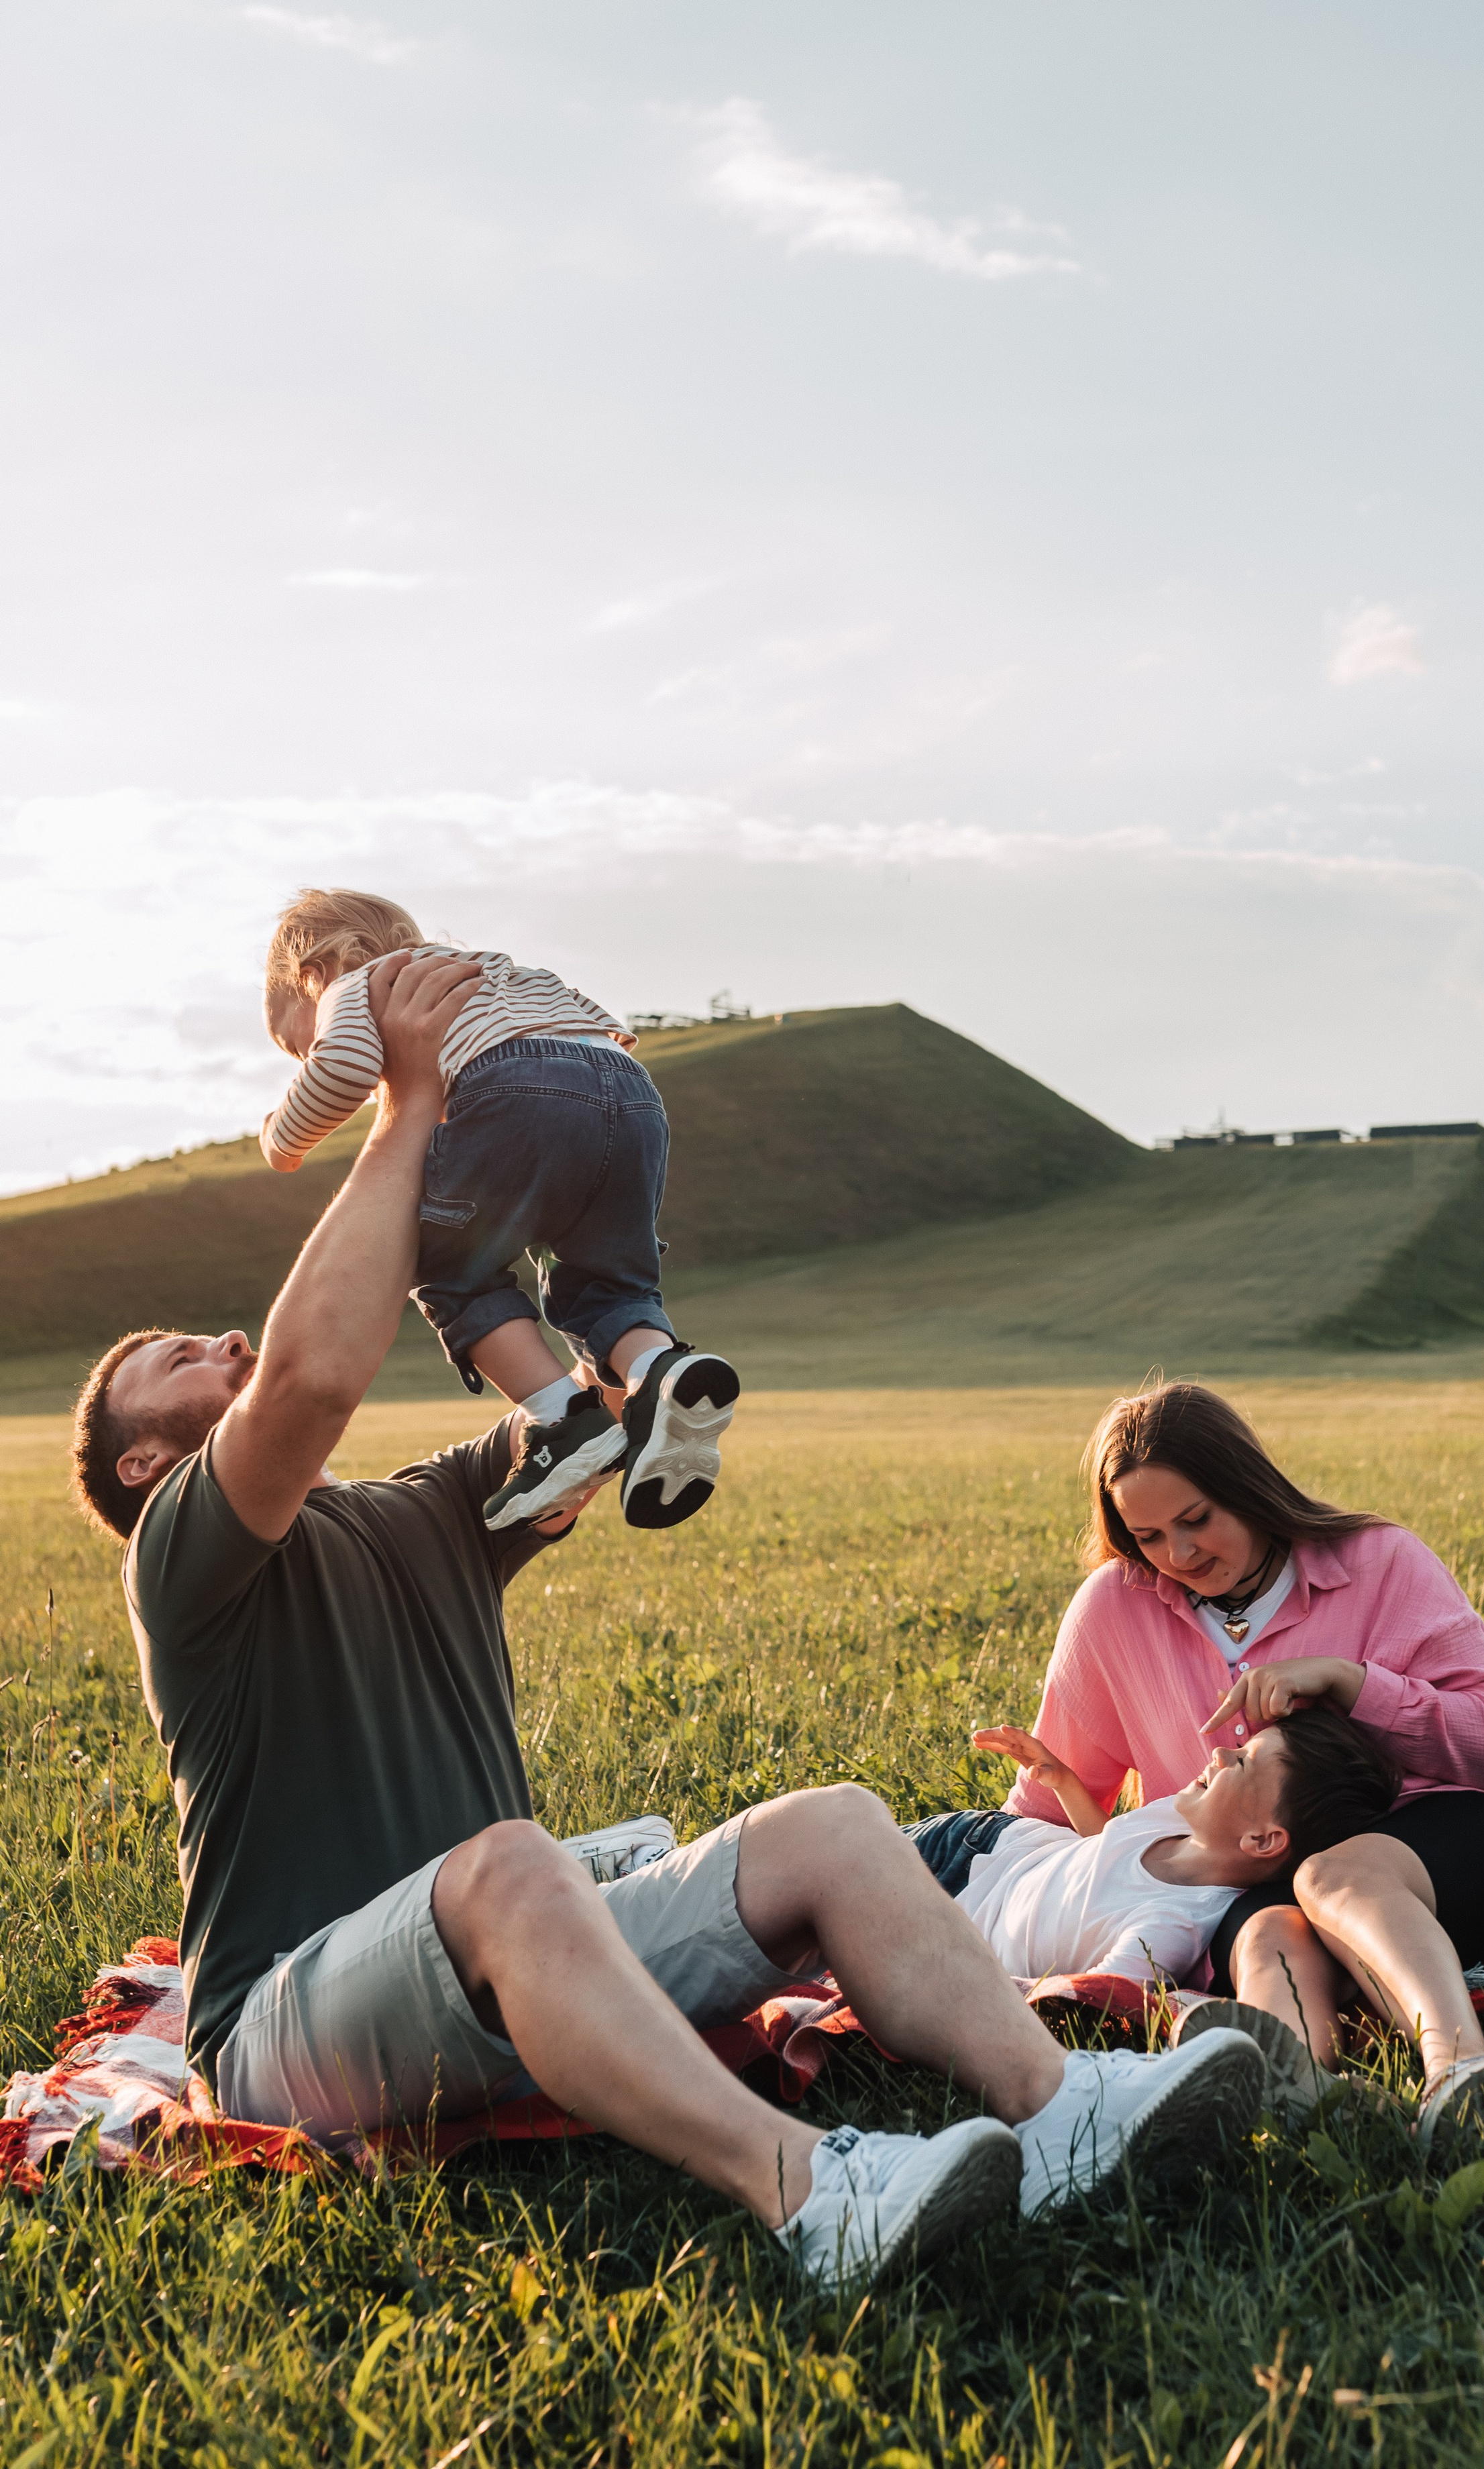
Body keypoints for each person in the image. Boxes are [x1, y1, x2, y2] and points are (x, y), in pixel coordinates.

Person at [68, 955, 1269, 2287]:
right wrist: (406, 1107)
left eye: (213, 1342)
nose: (223, 1349)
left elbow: (580, 1437)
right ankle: (813, 2190)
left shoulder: (420, 1517)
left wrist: (589, 1192)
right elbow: (309, 1379)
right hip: (289, 2023)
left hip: (510, 1970)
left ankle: (1053, 2109)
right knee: (511, 1864)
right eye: (180, 1358)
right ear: (139, 1464)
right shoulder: (186, 1556)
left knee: (831, 1826)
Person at [1002, 1380, 1484, 2151]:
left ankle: (1461, 2075)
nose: (1181, 1554)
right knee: (1270, 1933)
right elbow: (1045, 1808)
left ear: (1247, 1484)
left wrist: (1351, 1683)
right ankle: (1304, 2108)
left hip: (1438, 1848)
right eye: (1149, 1536)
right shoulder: (1112, 1608)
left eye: (1196, 1519)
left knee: (1328, 1876)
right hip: (1241, 1886)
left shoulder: (1378, 1561)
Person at [259, 885, 737, 1534]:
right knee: (605, 1278)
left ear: (313, 974)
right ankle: (662, 1369)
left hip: (512, 1088)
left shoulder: (366, 981)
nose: (305, 1055)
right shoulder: (496, 968)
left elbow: (341, 1066)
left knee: (449, 1272)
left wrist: (281, 1138)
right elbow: (602, 1031)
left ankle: (564, 1422)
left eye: (297, 1044)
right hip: (631, 1096)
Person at [908, 1702, 1399, 1999]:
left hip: (949, 1918)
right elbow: (1107, 1847)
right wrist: (1062, 1780)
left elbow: (1093, 1996)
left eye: (1243, 1762)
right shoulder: (1178, 1817)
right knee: (838, 1842)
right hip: (980, 1845)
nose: (1221, 1752)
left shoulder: (1174, 1925)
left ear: (1263, 1840)